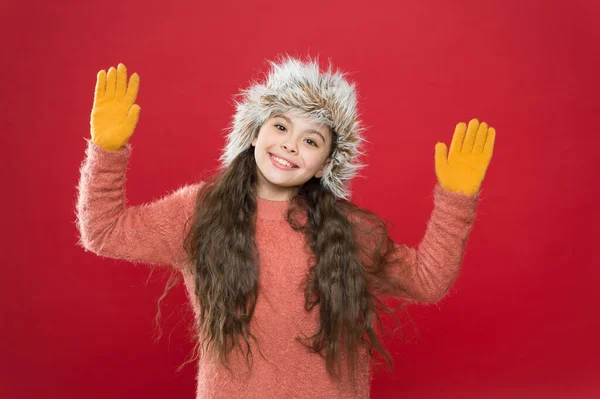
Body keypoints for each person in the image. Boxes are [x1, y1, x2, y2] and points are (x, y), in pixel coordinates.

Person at [75, 55, 495, 399]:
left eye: (312, 140)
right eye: (280, 126)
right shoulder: (199, 210)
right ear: (254, 134)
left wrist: (455, 201)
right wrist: (108, 150)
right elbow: (104, 231)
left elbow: (426, 281)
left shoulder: (346, 230)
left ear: (326, 165)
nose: (291, 144)